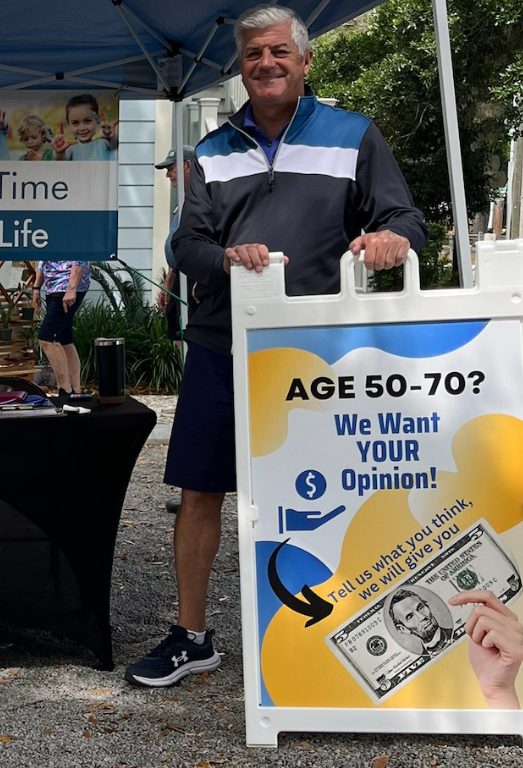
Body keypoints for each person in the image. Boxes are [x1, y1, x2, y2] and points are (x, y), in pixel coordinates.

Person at [124, 3, 429, 688]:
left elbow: (404, 215)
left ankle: (343, 635)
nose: (265, 63)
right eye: (253, 54)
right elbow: (186, 245)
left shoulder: (354, 135)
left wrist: (392, 239)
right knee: (200, 491)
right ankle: (191, 636)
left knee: (329, 496)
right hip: (220, 346)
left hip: (315, 352)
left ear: (304, 61)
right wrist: (225, 257)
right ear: (239, 67)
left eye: (278, 52)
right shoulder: (210, 149)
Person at [154, 146, 196, 350]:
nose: (168, 174)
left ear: (188, 165)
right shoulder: (182, 202)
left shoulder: (204, 199)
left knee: (189, 335)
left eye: (171, 168)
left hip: (195, 277)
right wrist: (168, 283)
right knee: (176, 334)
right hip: (180, 275)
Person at [31, 261, 90, 395]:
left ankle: (64, 390)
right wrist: (36, 288)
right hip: (52, 286)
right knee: (65, 341)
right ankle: (75, 390)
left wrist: (71, 289)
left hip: (67, 287)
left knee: (46, 338)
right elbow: (43, 259)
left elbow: (80, 257)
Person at [388, 588, 455, 657]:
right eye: (410, 616)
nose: (422, 617)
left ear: (427, 607)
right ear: (403, 629)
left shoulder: (460, 632)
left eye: (420, 608)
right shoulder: (423, 661)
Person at [52, 94, 118, 161]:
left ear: (98, 119)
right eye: (75, 123)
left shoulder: (104, 142)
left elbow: (114, 143)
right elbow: (61, 159)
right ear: (69, 124)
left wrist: (111, 136)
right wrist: (59, 152)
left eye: (87, 121)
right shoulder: (71, 148)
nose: (82, 128)